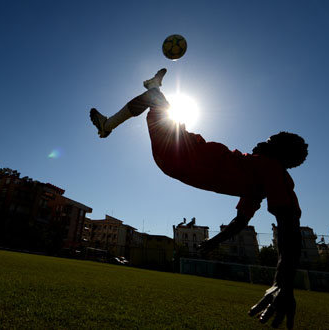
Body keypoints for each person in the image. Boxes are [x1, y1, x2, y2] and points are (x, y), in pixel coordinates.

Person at [89, 69, 307, 329]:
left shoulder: (273, 172)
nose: (262, 140)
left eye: (270, 141)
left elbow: (289, 225)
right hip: (182, 151)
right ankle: (151, 89)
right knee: (156, 99)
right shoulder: (259, 175)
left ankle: (110, 124)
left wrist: (282, 283)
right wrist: (214, 240)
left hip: (180, 152)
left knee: (155, 100)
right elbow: (241, 221)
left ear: (280, 154)